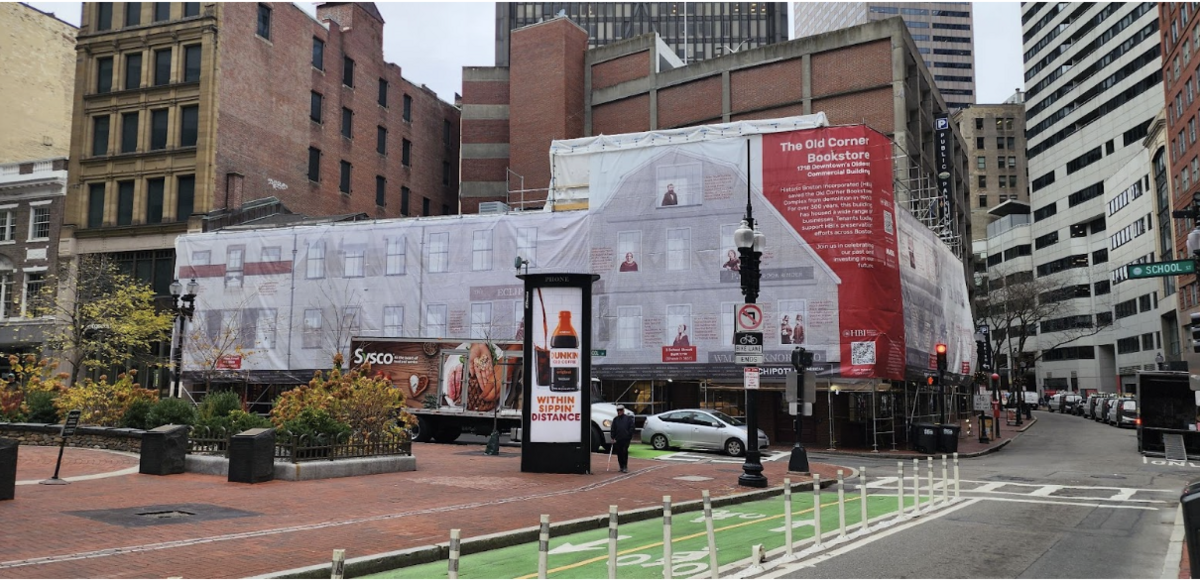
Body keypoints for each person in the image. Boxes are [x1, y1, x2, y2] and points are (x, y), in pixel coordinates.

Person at [611, 404, 635, 473]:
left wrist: (629, 435)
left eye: (620, 410)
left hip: (626, 439)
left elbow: (632, 427)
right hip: (618, 439)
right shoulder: (615, 420)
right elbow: (613, 429)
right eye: (618, 410)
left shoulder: (628, 419)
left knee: (624, 451)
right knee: (619, 453)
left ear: (623, 410)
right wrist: (612, 437)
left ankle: (625, 466)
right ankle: (621, 466)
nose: (619, 412)